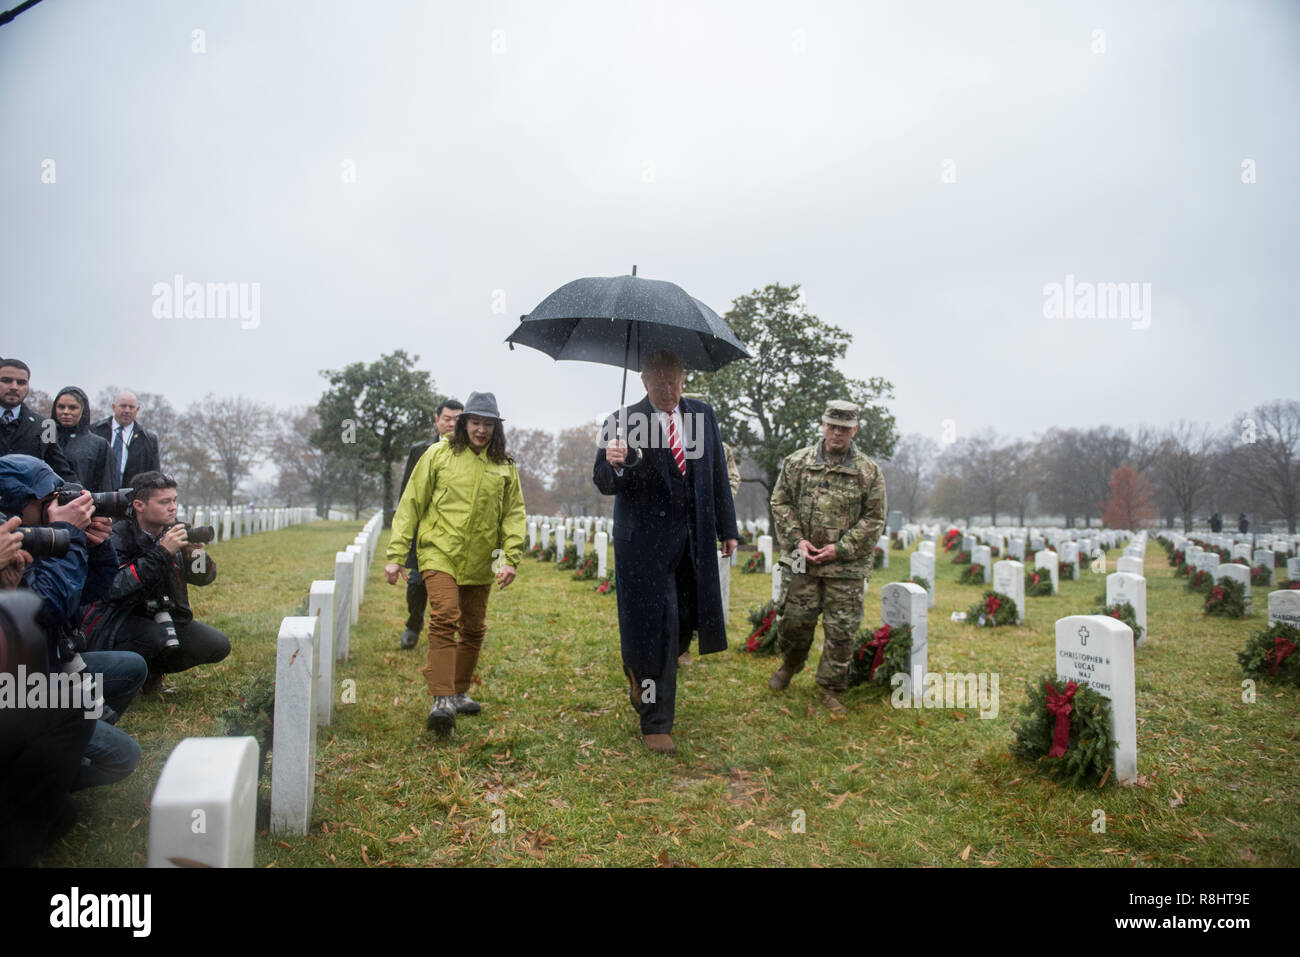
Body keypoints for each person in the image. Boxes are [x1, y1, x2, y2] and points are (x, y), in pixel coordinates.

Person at [592, 351, 738, 756]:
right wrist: (614, 462)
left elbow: (716, 476)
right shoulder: (620, 422)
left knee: (686, 622)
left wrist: (728, 528)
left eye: (675, 382)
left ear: (683, 377)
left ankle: (640, 671)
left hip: (692, 544)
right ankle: (656, 722)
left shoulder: (703, 416)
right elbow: (603, 482)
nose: (669, 391)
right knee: (661, 627)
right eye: (660, 384)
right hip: (644, 549)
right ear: (644, 383)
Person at [384, 392, 525, 737]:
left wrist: (509, 558)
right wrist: (396, 555)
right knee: (445, 617)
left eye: (487, 424)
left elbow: (513, 514)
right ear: (463, 423)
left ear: (496, 428)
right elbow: (411, 503)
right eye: (475, 422)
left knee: (474, 628)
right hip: (439, 551)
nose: (480, 429)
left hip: (482, 558)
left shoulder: (504, 465)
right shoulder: (439, 454)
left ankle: (460, 692)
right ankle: (441, 699)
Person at [767, 400, 887, 712]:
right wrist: (797, 540)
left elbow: (874, 519)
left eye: (844, 428)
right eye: (832, 426)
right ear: (822, 426)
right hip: (800, 557)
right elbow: (780, 502)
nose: (837, 433)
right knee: (793, 621)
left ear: (854, 430)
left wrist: (841, 548)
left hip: (846, 565)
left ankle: (831, 687)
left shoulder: (869, 472)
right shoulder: (797, 463)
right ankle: (790, 665)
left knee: (842, 630)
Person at [85, 471, 230, 691]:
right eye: (164, 502)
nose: (173, 507)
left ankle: (152, 673)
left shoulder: (175, 530)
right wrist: (162, 551)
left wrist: (196, 555)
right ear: (139, 505)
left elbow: (203, 578)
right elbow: (114, 586)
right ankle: (119, 681)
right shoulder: (117, 536)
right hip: (117, 622)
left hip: (164, 616)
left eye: (174, 500)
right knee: (153, 637)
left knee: (217, 645)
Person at [396, 398, 463, 650]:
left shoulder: (468, 452)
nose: (452, 424)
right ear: (437, 420)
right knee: (416, 584)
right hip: (422, 531)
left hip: (452, 532)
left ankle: (448, 630)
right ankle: (413, 624)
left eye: (458, 420)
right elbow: (407, 493)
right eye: (447, 419)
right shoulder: (420, 450)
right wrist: (406, 534)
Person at [0, 359, 78, 482]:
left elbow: (60, 469)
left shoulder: (44, 426)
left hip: (26, 499)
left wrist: (81, 493)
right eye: (6, 380)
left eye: (21, 382)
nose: (14, 387)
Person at [90, 391, 161, 488]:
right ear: (114, 407)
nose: (127, 410)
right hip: (97, 495)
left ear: (137, 409)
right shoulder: (94, 431)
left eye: (131, 407)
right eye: (123, 406)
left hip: (131, 498)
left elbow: (154, 476)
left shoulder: (148, 440)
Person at [52, 387, 116, 492]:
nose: (66, 412)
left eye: (73, 408)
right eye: (61, 407)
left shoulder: (98, 445)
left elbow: (106, 486)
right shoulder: (44, 438)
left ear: (83, 410)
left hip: (83, 504)